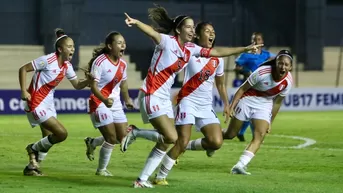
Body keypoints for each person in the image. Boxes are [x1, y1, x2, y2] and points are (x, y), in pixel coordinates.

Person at [120, 4, 262, 188]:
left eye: (193, 27)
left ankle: (142, 180)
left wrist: (243, 49)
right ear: (178, 29)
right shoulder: (167, 41)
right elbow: (152, 32)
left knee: (165, 141)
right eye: (188, 26)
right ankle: (135, 133)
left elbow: (217, 52)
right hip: (151, 94)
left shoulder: (190, 49)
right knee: (173, 138)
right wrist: (137, 22)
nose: (192, 30)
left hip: (163, 98)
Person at [152, 21, 230, 185]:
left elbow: (221, 84)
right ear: (197, 35)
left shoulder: (218, 59)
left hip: (205, 106)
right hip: (187, 101)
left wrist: (226, 104)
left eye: (213, 31)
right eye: (207, 31)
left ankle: (183, 147)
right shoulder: (189, 51)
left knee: (216, 142)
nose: (211, 34)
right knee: (181, 140)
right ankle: (160, 176)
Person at [19, 28, 92, 176]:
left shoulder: (67, 66)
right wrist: (24, 91)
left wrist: (88, 81)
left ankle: (32, 167)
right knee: (61, 134)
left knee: (47, 139)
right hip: (36, 102)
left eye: (73, 46)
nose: (73, 49)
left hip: (48, 103)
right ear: (60, 49)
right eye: (69, 46)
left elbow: (77, 85)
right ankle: (32, 148)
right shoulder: (47, 60)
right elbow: (23, 69)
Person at [223, 50, 293, 175]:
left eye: (286, 64)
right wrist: (231, 107)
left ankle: (240, 165)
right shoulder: (262, 72)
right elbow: (242, 89)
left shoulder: (288, 81)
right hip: (247, 99)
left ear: (290, 67)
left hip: (265, 104)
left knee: (259, 136)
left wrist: (270, 121)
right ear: (275, 63)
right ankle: (211, 139)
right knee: (230, 134)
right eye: (280, 63)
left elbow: (277, 102)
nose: (283, 67)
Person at [82, 31, 134, 176]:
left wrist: (128, 99)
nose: (123, 45)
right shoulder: (100, 62)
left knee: (121, 138)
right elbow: (93, 86)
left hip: (115, 104)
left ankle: (93, 143)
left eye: (124, 43)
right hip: (99, 102)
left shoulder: (123, 64)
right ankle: (101, 170)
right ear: (110, 46)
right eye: (119, 43)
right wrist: (104, 100)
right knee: (111, 138)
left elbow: (123, 84)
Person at [234, 32, 275, 142]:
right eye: (254, 39)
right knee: (251, 112)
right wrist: (246, 71)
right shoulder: (246, 55)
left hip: (263, 87)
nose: (256, 42)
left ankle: (243, 133)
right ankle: (253, 136)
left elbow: (278, 59)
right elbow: (237, 67)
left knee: (257, 111)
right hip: (249, 86)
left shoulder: (266, 54)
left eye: (258, 39)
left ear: (262, 41)